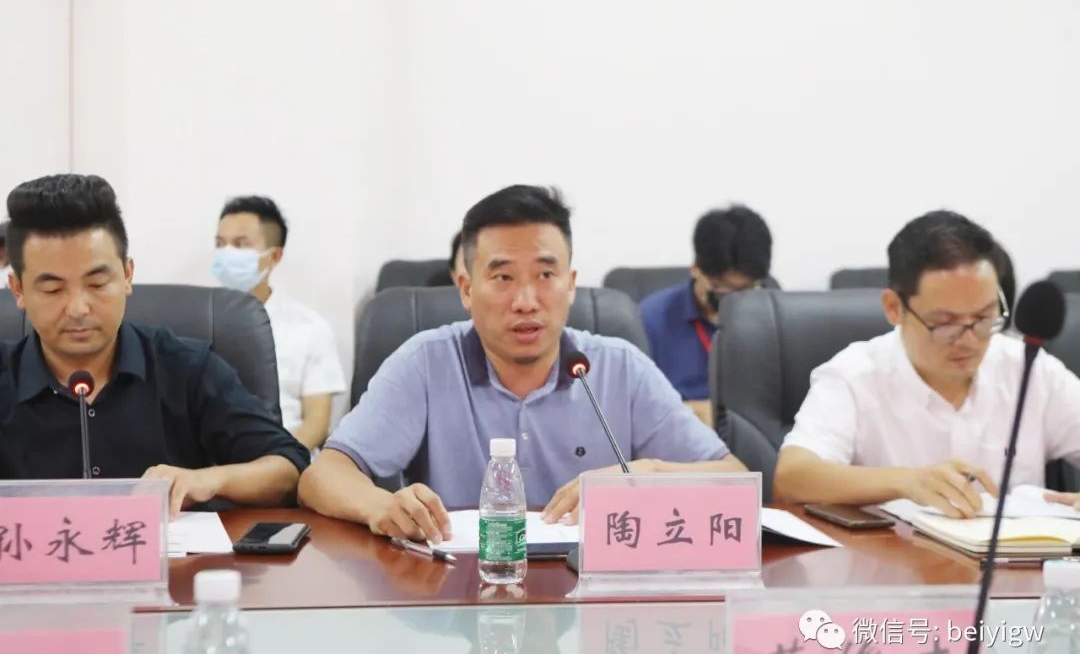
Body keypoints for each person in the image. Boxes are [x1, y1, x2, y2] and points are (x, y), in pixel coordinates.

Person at [299, 185, 746, 542]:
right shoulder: (426, 362)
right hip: (462, 591)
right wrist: (382, 506)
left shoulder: (620, 369)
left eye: (546, 275)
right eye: (503, 277)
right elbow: (322, 475)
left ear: (571, 284)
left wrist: (648, 476)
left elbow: (734, 479)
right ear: (466, 289)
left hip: (592, 601)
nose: (526, 301)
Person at [1, 174, 308, 514]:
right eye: (53, 289)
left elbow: (288, 469)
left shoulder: (186, 367)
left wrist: (207, 480)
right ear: (18, 290)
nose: (78, 308)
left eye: (97, 283)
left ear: (127, 275)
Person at [773, 210, 1080, 517]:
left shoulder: (1029, 370)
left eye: (984, 317)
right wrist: (908, 481)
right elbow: (792, 477)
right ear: (894, 308)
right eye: (945, 324)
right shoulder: (854, 376)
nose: (969, 340)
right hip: (896, 548)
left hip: (1017, 548)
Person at [214, 196, 346, 451]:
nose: (226, 253)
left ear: (274, 256)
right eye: (220, 244)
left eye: (240, 245)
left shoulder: (309, 327)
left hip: (285, 457)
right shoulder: (197, 320)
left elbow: (317, 422)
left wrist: (279, 460)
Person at [639, 205, 772, 423]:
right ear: (696, 268)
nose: (733, 300)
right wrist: (688, 412)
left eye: (745, 291)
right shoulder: (650, 320)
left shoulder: (775, 321)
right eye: (721, 289)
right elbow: (636, 408)